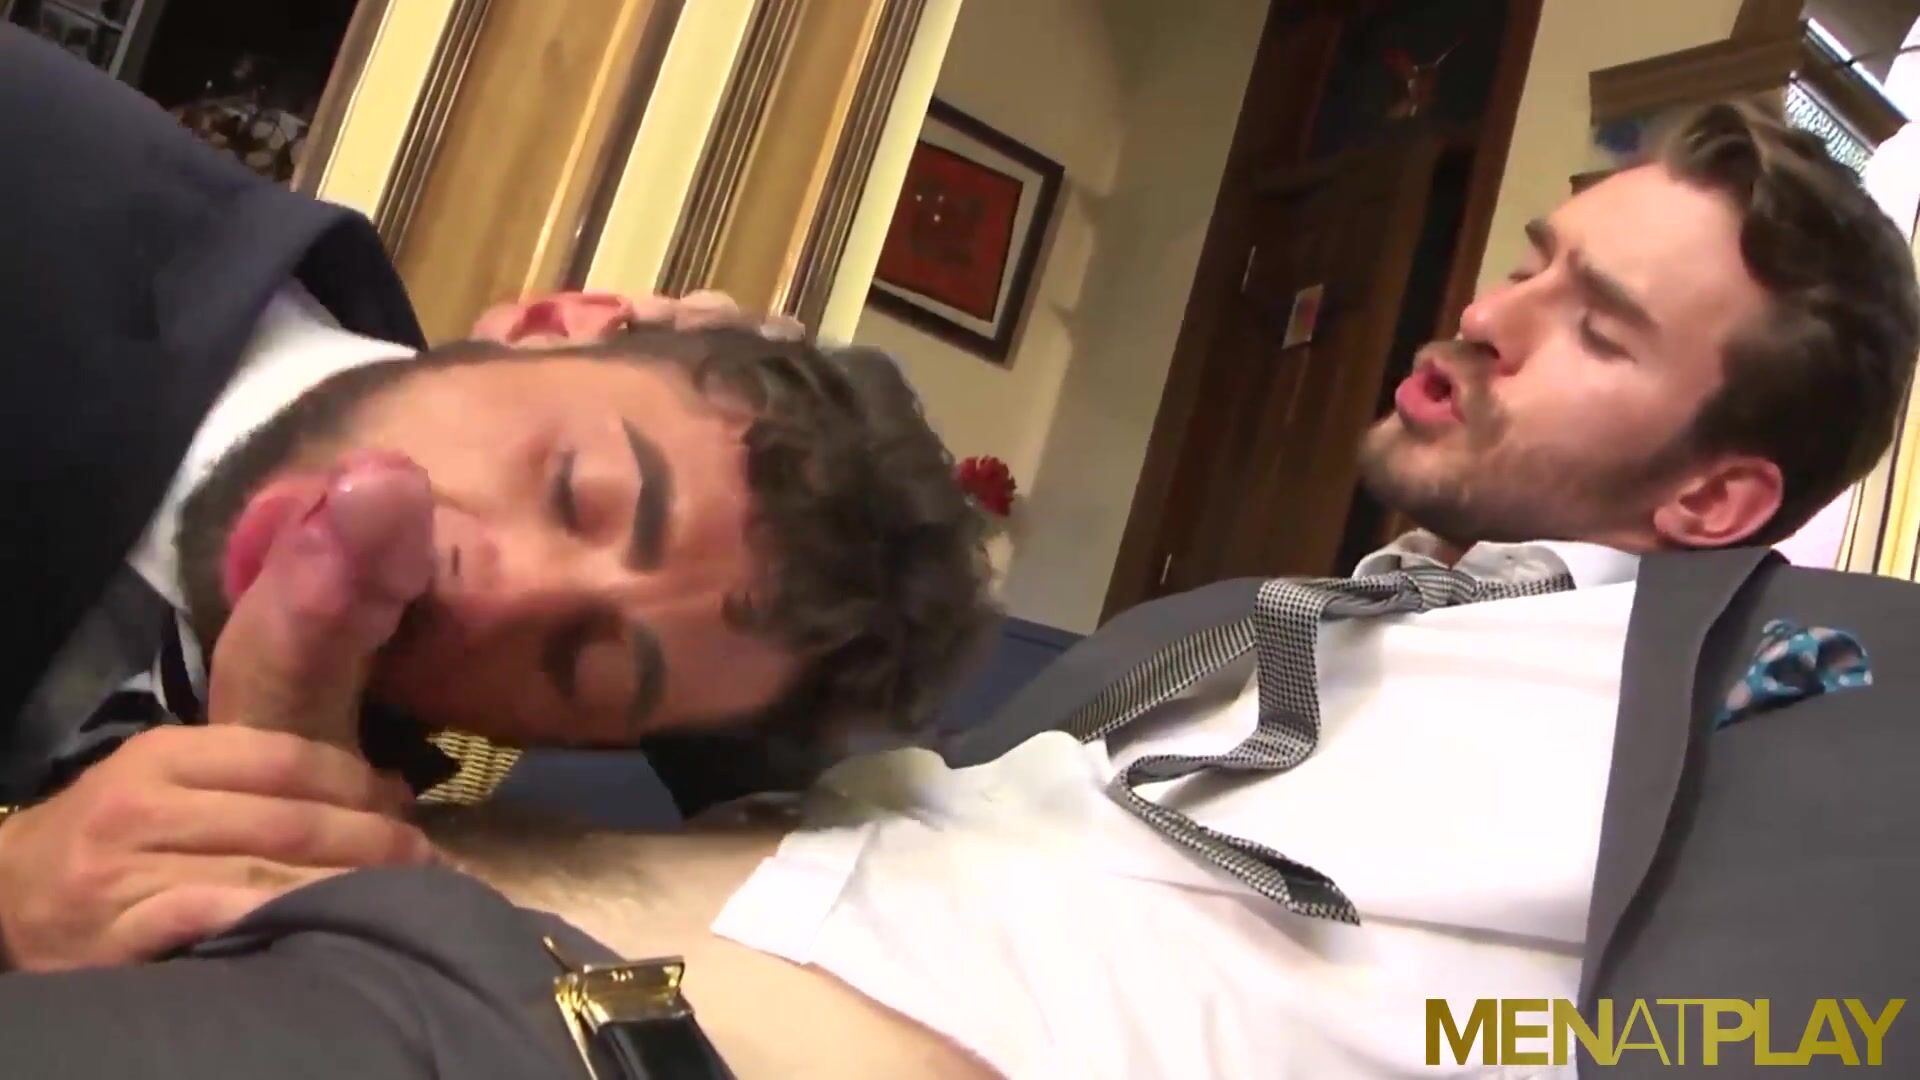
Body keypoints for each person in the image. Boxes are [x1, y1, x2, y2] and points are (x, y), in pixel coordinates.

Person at [4, 98, 1915, 1078]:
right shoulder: (1233, 632)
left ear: (1723, 493)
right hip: (448, 877)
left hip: (669, 1035)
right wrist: (722, 478)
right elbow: (909, 762)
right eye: (1533, 258)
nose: (1491, 315)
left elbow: (1787, 1035)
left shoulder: (1808, 700)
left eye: (1594, 326)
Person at [0, 26, 994, 972]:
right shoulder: (38, 173)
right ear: (553, 322)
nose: (495, 593)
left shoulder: (343, 811)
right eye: (572, 491)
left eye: (580, 668)